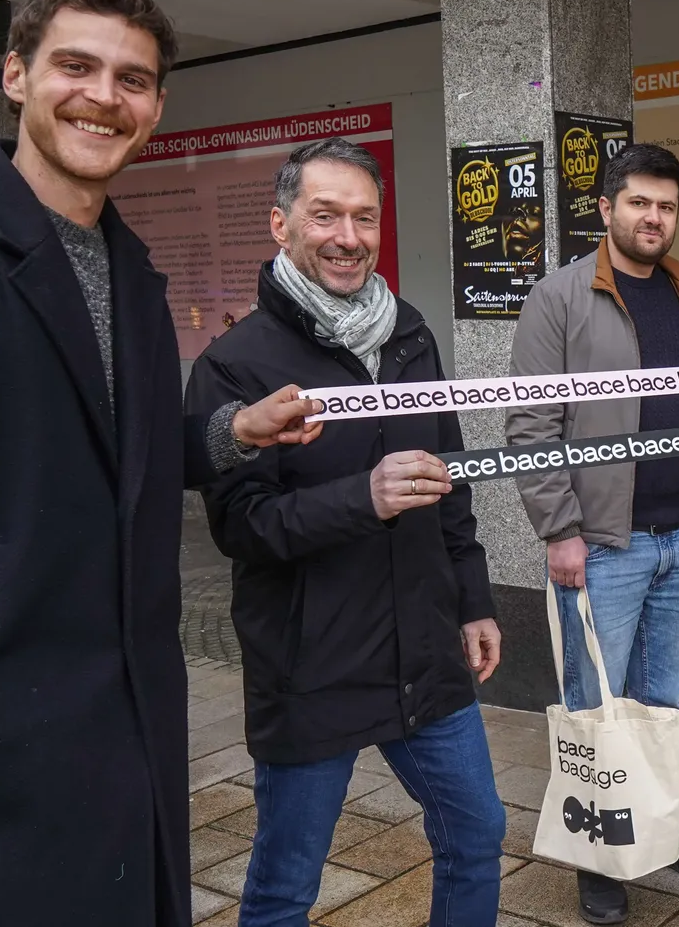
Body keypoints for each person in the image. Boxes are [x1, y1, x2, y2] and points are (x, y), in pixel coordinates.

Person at [0, 0, 321, 926]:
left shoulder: (134, 273)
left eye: (133, 79)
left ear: (156, 107)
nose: (105, 96)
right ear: (15, 76)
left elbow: (109, 452)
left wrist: (232, 432)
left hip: (133, 707)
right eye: (76, 65)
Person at [186, 137, 505, 924]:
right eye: (324, 214)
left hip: (424, 648)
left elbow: (449, 476)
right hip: (312, 659)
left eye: (364, 217)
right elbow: (244, 528)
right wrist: (363, 496)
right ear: (281, 223)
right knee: (286, 883)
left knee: (478, 836)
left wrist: (474, 599)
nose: (348, 236)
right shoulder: (234, 364)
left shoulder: (409, 334)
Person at [508, 143, 679, 925]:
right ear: (606, 209)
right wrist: (559, 530)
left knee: (662, 700)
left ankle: (658, 824)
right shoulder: (560, 297)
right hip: (602, 545)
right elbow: (531, 424)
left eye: (666, 206)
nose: (653, 218)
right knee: (594, 702)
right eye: (639, 202)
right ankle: (596, 850)